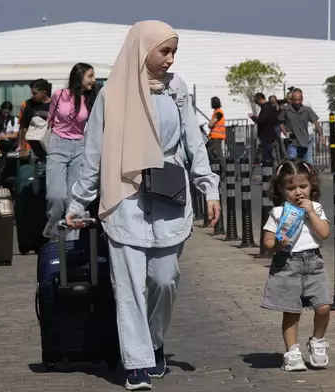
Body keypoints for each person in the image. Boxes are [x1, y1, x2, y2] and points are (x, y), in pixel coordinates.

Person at [65, 21, 220, 390]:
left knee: (165, 280)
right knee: (130, 286)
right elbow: (93, 154)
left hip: (168, 194)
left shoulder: (177, 89)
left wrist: (208, 189)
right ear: (142, 49)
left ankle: (153, 341)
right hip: (125, 196)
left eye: (173, 52)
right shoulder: (112, 94)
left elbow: (193, 142)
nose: (170, 60)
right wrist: (77, 202)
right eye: (164, 51)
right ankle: (137, 363)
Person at [262, 159, 331, 372]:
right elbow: (267, 242)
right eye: (291, 188)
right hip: (288, 264)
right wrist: (278, 244)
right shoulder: (278, 213)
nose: (298, 192)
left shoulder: (316, 208)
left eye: (303, 186)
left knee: (324, 306)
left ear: (311, 186)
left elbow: (324, 233)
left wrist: (311, 213)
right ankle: (292, 352)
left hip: (313, 262)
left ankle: (318, 341)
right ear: (281, 190)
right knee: (291, 311)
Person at [44, 63, 98, 241]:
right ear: (79, 76)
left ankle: (70, 243)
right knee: (56, 196)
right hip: (58, 145)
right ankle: (52, 234)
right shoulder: (59, 95)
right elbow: (50, 119)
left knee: (74, 200)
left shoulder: (91, 99)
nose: (93, 80)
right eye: (90, 76)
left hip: (80, 147)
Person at [279, 89, 325, 161]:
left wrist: (321, 135)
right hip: (292, 142)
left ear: (302, 99)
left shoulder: (307, 110)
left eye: (299, 100)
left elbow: (316, 123)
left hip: (305, 141)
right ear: (291, 99)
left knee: (307, 161)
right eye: (295, 100)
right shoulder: (286, 109)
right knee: (292, 161)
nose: (297, 102)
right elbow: (280, 122)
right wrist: (285, 133)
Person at [19, 79, 53, 159]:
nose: (32, 95)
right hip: (34, 147)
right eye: (31, 93)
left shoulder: (54, 105)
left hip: (51, 146)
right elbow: (23, 128)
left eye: (35, 93)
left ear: (44, 93)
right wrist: (23, 148)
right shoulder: (29, 104)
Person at [249, 93, 278, 164]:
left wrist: (253, 117)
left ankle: (268, 171)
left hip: (266, 135)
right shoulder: (270, 106)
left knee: (266, 156)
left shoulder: (265, 107)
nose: (257, 104)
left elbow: (261, 120)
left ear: (259, 100)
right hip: (271, 133)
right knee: (270, 155)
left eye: (256, 102)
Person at [206, 96, 226, 174]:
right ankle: (218, 171)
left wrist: (210, 124)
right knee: (212, 153)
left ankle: (223, 172)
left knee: (218, 154)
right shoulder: (216, 112)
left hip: (216, 138)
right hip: (214, 137)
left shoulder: (219, 112)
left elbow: (211, 124)